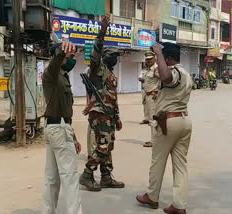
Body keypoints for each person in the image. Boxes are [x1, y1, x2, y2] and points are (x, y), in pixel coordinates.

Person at [136, 42, 193, 214]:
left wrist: (158, 53)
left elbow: (167, 78)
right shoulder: (187, 74)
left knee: (157, 161)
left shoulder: (175, 72)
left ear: (168, 58)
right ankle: (179, 204)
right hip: (183, 120)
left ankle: (152, 197)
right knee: (180, 166)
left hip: (168, 122)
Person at [79, 16, 124, 191]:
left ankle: (106, 177)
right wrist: (102, 32)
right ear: (104, 57)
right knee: (102, 146)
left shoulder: (112, 75)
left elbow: (113, 98)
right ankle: (87, 174)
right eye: (111, 55)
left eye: (116, 56)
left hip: (109, 115)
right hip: (99, 114)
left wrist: (117, 117)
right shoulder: (97, 69)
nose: (115, 58)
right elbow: (96, 51)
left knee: (108, 146)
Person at [41, 41, 82, 214]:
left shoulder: (63, 76)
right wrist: (60, 51)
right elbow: (55, 63)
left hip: (58, 128)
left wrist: (73, 137)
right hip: (58, 129)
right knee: (70, 178)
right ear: (61, 58)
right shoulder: (51, 74)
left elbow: (66, 115)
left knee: (52, 179)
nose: (73, 60)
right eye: (71, 57)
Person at [142, 51, 160, 147]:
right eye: (147, 59)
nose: (148, 61)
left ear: (155, 59)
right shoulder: (149, 69)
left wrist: (158, 93)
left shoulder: (156, 69)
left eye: (150, 59)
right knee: (151, 119)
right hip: (148, 96)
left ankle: (154, 141)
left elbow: (163, 81)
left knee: (153, 120)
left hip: (153, 97)